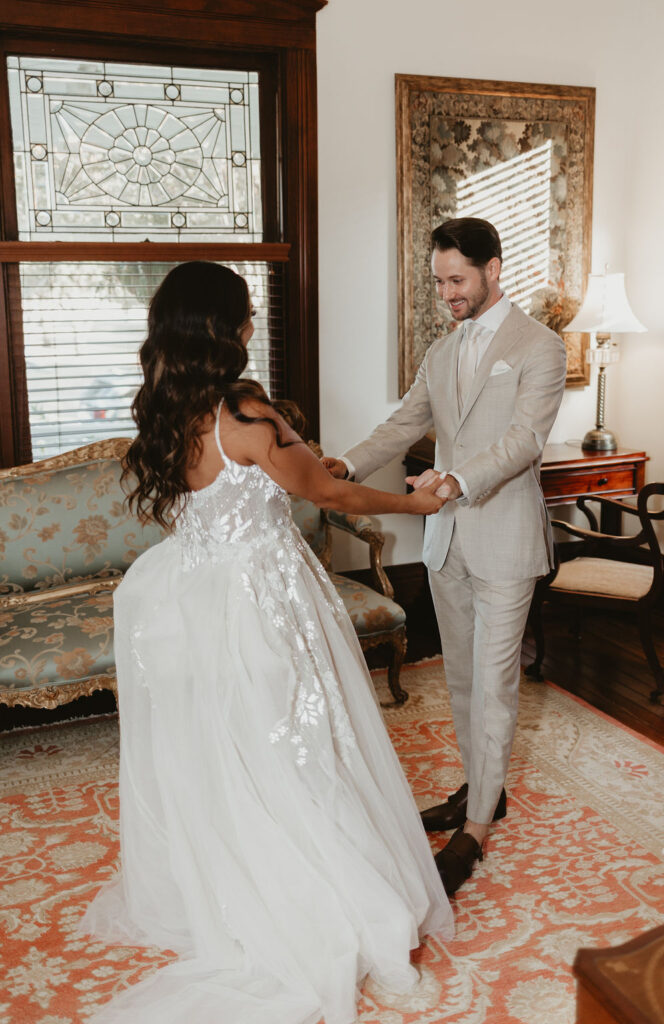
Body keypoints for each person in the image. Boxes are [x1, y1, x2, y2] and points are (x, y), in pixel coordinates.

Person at [81, 261, 454, 1024]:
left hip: (192, 600)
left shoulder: (166, 406)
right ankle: (335, 904)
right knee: (302, 749)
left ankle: (245, 878)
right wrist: (413, 499)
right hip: (260, 602)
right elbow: (328, 492)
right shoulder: (245, 414)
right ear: (227, 329)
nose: (253, 325)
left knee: (237, 750)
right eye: (246, 314)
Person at [323, 218, 566, 896]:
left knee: (493, 683)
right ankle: (480, 792)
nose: (446, 293)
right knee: (459, 678)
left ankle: (476, 831)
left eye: (456, 279)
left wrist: (455, 480)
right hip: (445, 539)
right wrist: (345, 463)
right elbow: (404, 422)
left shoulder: (539, 347)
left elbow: (522, 441)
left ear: (492, 268)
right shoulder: (441, 351)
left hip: (503, 537)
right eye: (438, 282)